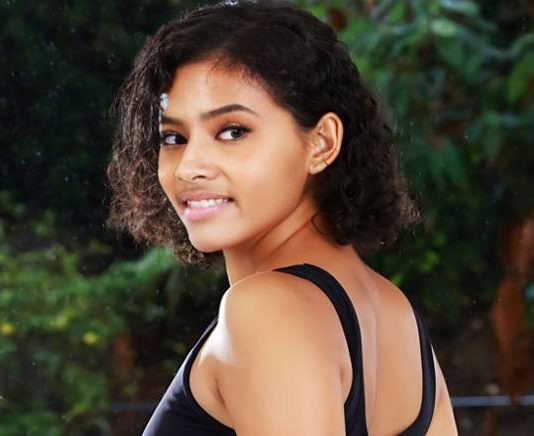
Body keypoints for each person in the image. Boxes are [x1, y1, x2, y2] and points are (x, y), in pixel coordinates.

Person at [106, 0, 458, 434]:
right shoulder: (394, 313)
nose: (189, 167)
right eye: (174, 137)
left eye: (232, 131)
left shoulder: (266, 309)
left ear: (322, 143)